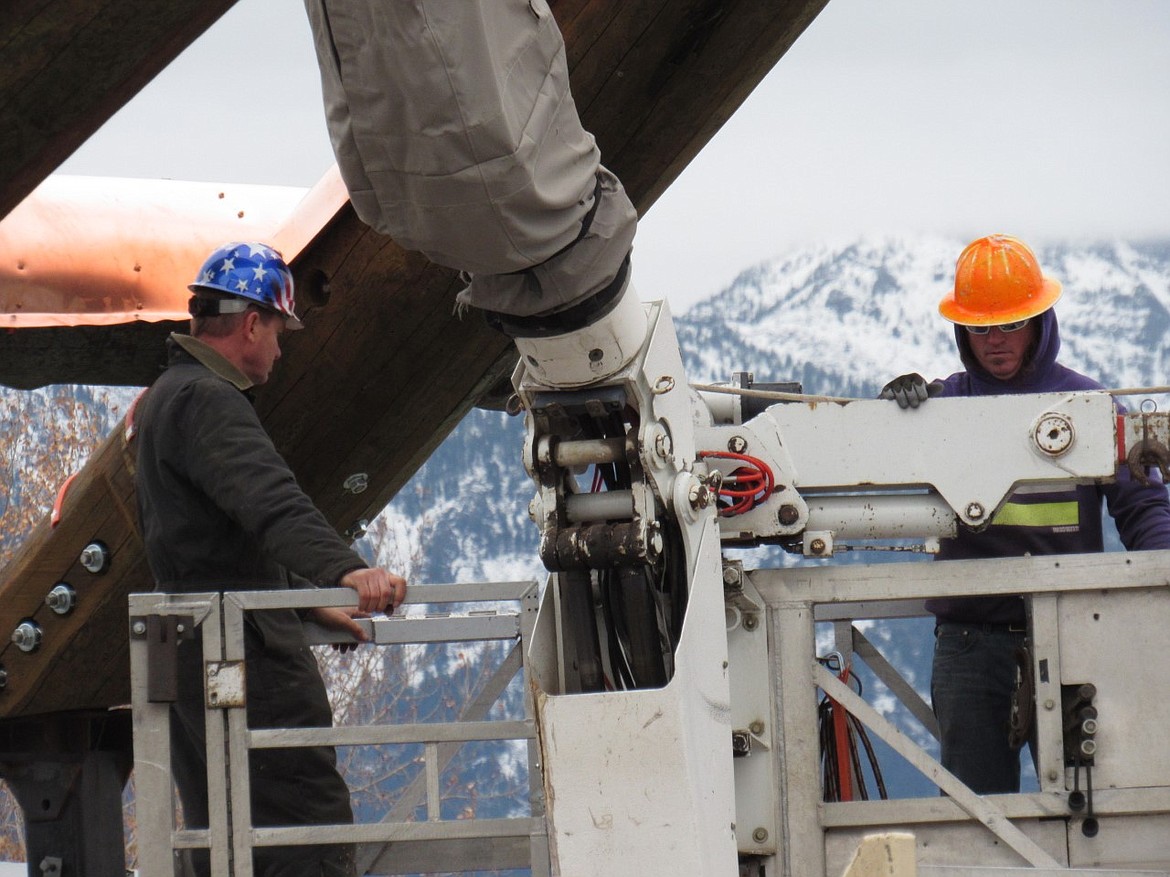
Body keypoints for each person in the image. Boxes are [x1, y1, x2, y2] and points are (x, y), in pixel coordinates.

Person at [135, 241, 408, 876]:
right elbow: (272, 504)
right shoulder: (207, 400)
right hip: (242, 653)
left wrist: (308, 599)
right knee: (300, 829)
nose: (282, 348)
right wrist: (345, 573)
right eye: (280, 329)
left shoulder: (165, 398)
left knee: (221, 829)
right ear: (253, 323)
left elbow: (212, 540)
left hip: (184, 645)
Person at [880, 234, 1170, 794]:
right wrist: (892, 420)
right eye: (981, 327)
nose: (995, 341)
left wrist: (1160, 579)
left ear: (1040, 321)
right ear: (961, 331)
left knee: (1094, 806)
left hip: (1075, 630)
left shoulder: (1090, 407)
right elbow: (869, 477)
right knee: (976, 815)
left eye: (1009, 324)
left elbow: (1143, 506)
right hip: (969, 639)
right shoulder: (941, 408)